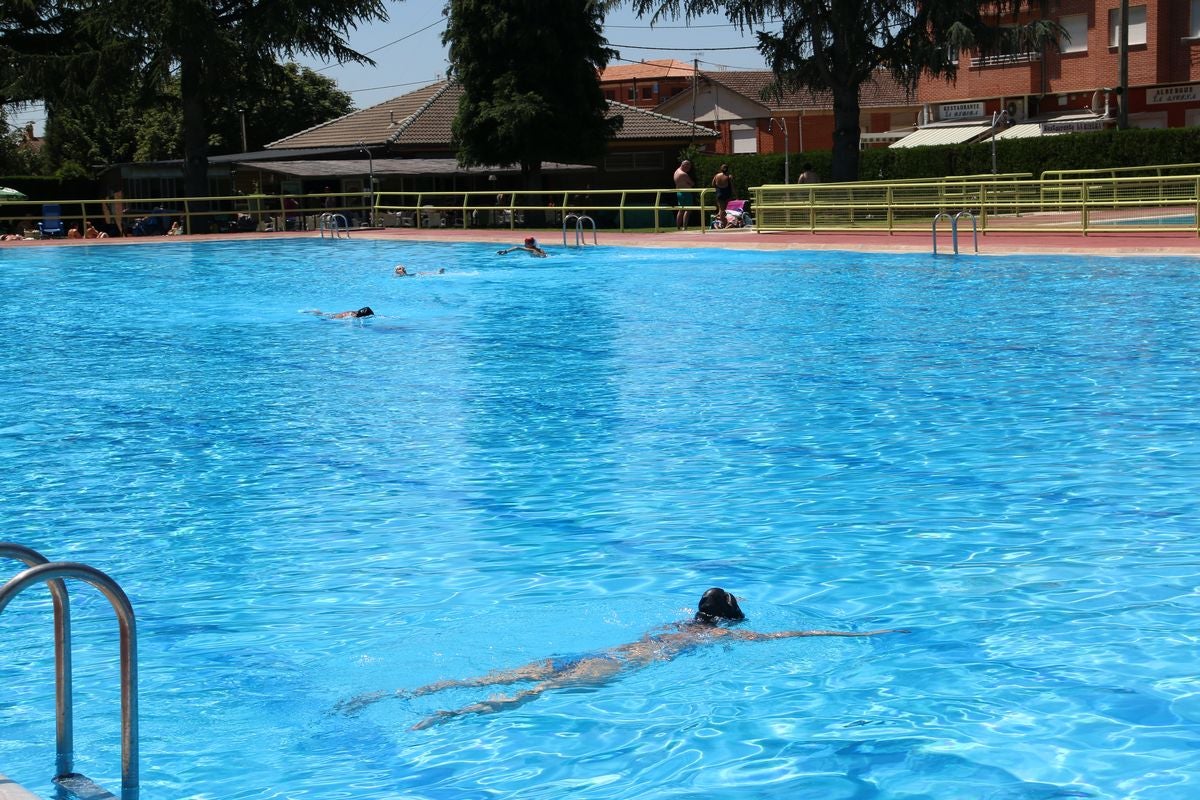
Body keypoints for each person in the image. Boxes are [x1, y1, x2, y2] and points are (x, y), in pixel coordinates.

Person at [337, 588, 906, 730]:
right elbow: (790, 637)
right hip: (610, 668)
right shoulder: (714, 639)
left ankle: (396, 695)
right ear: (728, 620)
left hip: (588, 652)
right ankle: (443, 718)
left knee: (486, 676)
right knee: (520, 698)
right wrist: (855, 634)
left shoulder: (675, 626)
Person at [673, 159, 696, 229]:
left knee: (681, 210)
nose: (688, 169)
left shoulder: (676, 171)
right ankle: (685, 226)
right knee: (687, 210)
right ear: (684, 165)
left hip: (679, 192)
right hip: (685, 193)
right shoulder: (683, 174)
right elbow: (692, 183)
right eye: (688, 167)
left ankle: (678, 227)